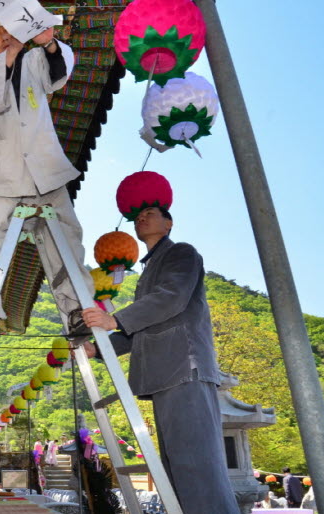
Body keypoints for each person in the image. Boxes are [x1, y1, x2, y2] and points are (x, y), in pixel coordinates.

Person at [81, 206, 239, 513]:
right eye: (139, 215)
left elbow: (171, 298)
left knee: (197, 465)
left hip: (185, 366)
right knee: (176, 465)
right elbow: (141, 329)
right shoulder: (149, 271)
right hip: (164, 373)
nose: (142, 217)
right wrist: (98, 349)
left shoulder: (182, 253)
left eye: (151, 212)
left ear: (169, 223)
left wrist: (114, 319)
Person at [0, 15, 94, 336]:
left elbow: (58, 76)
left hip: (46, 171)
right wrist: (10, 54)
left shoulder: (34, 60)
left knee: (66, 243)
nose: (5, 36)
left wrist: (48, 43)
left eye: (8, 30)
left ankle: (78, 310)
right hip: (6, 175)